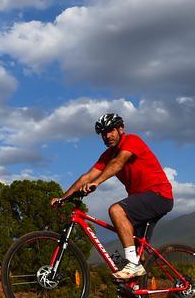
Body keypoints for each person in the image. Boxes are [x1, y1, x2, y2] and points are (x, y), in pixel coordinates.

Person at [51, 113, 173, 280]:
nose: (107, 136)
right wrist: (63, 198)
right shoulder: (107, 155)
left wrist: (97, 182)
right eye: (103, 133)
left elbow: (118, 163)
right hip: (142, 201)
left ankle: (133, 265)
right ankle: (138, 294)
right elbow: (86, 177)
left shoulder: (132, 140)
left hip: (159, 194)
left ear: (120, 129)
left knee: (116, 210)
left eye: (110, 131)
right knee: (138, 251)